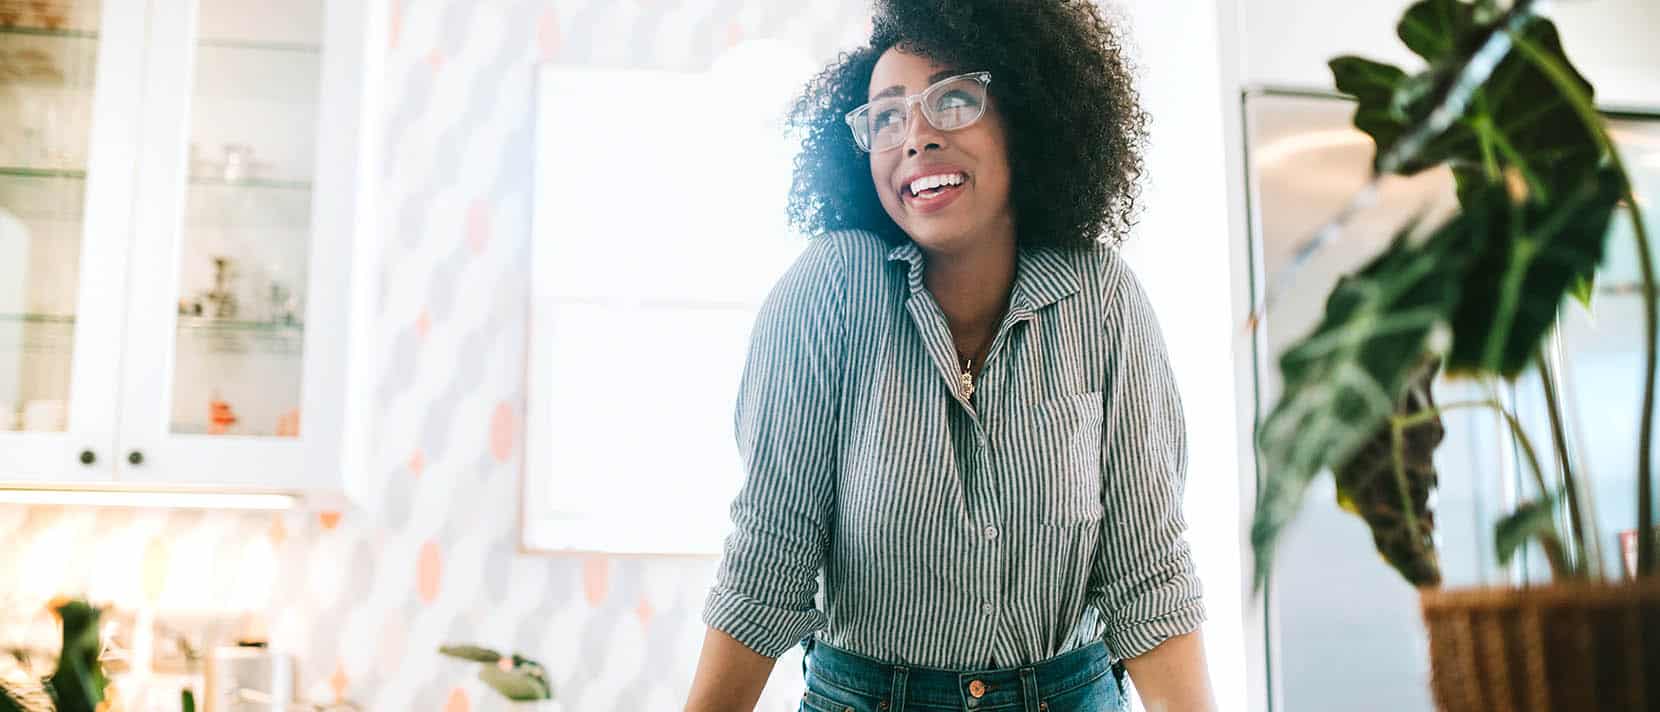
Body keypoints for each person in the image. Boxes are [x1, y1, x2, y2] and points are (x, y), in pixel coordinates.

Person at [685, 1, 1215, 710]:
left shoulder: (1101, 297)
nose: (916, 137)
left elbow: (1149, 573)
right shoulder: (832, 289)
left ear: (1022, 117)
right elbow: (770, 553)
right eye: (887, 117)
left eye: (954, 100)